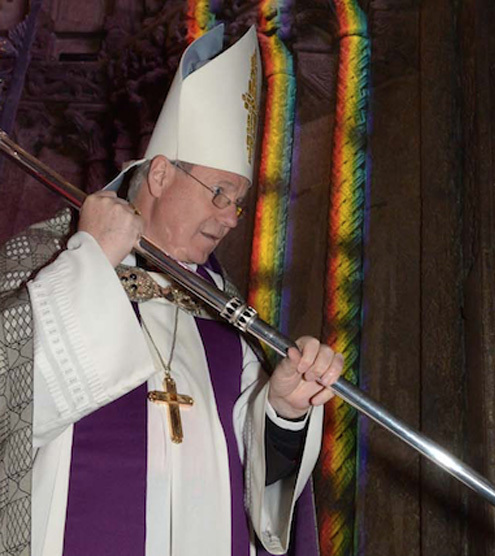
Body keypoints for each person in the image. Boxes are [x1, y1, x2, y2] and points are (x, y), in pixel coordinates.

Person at [0, 24, 338, 556]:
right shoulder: (50, 261)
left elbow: (264, 504)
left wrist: (282, 411)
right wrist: (93, 257)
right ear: (159, 175)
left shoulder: (230, 320)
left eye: (239, 202)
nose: (230, 219)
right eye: (220, 193)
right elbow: (13, 400)